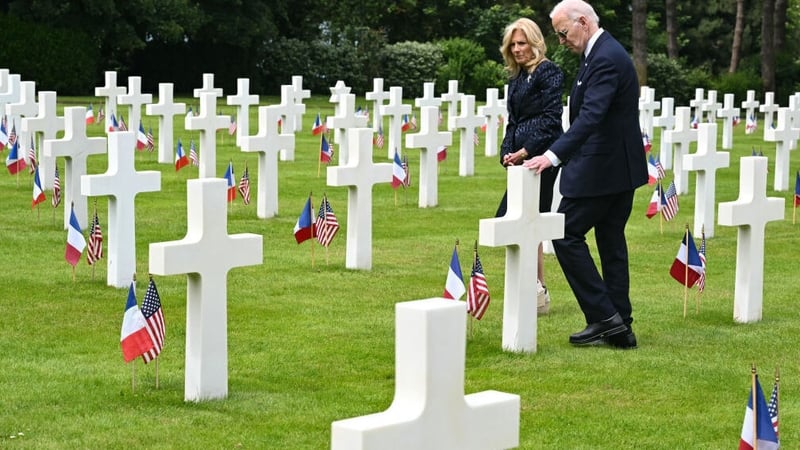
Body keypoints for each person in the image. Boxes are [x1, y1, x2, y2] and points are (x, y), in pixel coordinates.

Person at [523, 0, 647, 349]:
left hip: (602, 169)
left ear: (583, 22)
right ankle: (621, 325)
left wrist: (552, 156)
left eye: (563, 33)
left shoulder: (605, 57)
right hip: (616, 168)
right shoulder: (602, 52)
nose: (561, 41)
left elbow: (591, 116)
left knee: (564, 232)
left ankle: (603, 316)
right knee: (610, 241)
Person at [496, 17, 564, 316]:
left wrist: (525, 152)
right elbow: (513, 121)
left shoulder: (548, 72)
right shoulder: (515, 79)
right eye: (513, 44)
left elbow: (551, 120)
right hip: (519, 160)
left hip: (540, 159)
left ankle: (536, 289)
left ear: (535, 42)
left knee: (526, 220)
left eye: (522, 43)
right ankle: (535, 288)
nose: (517, 49)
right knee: (516, 220)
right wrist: (506, 152)